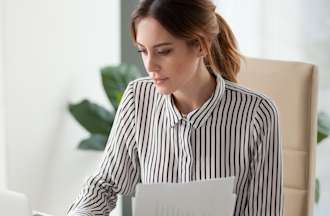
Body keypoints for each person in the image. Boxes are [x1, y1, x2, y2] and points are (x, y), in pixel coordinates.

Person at [67, 0, 283, 215]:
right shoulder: (138, 98)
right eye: (143, 51)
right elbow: (104, 185)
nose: (150, 66)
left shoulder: (257, 113)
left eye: (163, 51)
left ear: (200, 45)